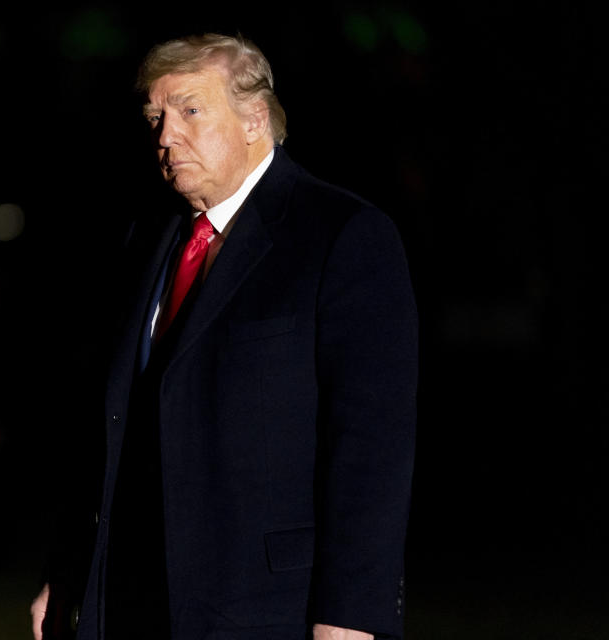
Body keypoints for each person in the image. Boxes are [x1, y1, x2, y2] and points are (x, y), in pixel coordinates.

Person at [32, 33, 417, 640]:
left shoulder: (342, 236)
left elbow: (371, 448)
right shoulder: (147, 239)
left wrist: (351, 614)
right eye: (155, 116)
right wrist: (73, 569)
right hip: (131, 599)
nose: (165, 135)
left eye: (189, 109)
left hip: (265, 607)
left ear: (254, 119)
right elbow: (112, 424)